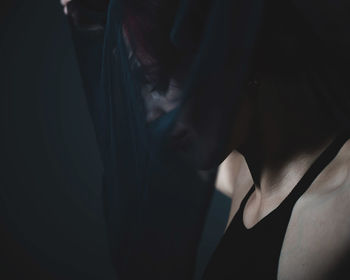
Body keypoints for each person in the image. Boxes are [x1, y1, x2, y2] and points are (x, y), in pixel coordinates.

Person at [62, 0, 350, 279]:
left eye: (166, 85)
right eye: (148, 90)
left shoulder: (339, 202)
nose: (154, 118)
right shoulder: (244, 176)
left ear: (233, 67)